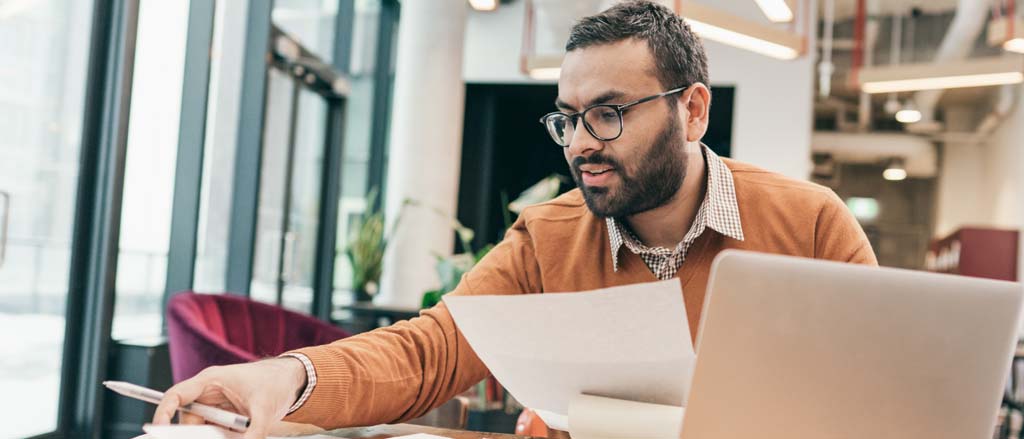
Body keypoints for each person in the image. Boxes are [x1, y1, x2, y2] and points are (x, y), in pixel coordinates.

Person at [154, 1, 876, 437]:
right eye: (569, 118)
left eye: (609, 113)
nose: (583, 141)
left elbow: (878, 398)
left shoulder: (811, 226)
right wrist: (286, 377)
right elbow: (429, 351)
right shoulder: (548, 237)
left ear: (692, 109)